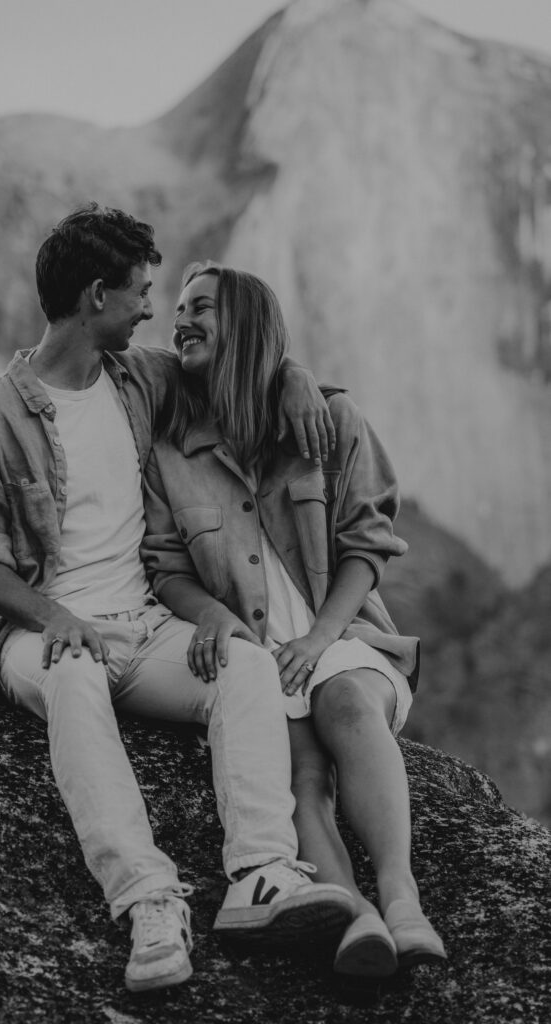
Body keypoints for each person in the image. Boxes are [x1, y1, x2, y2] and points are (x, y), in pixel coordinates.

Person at [0, 204, 355, 994]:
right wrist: (58, 618)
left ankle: (261, 875)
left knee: (246, 666)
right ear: (97, 297)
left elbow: (234, 363)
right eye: (141, 294)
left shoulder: (138, 378)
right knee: (74, 676)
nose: (154, 312)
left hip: (146, 626)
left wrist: (294, 378)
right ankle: (148, 899)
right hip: (39, 633)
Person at [142, 262, 447, 978]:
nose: (180, 320)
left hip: (340, 635)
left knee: (344, 703)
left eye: (201, 307)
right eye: (176, 308)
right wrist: (215, 618)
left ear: (247, 325)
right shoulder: (168, 449)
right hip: (256, 655)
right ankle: (353, 913)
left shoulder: (329, 419)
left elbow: (367, 545)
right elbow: (165, 566)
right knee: (297, 773)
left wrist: (318, 639)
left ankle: (401, 897)